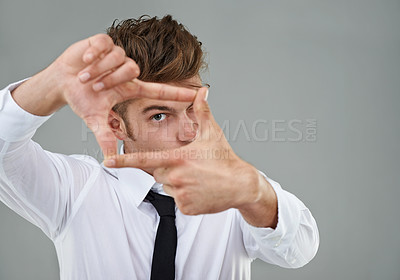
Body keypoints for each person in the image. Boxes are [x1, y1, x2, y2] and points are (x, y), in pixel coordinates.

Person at [0, 15, 319, 280]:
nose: (189, 129)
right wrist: (52, 83)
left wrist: (253, 192)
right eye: (160, 115)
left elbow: (300, 249)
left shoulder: (236, 190)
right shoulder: (76, 190)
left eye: (194, 105)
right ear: (116, 124)